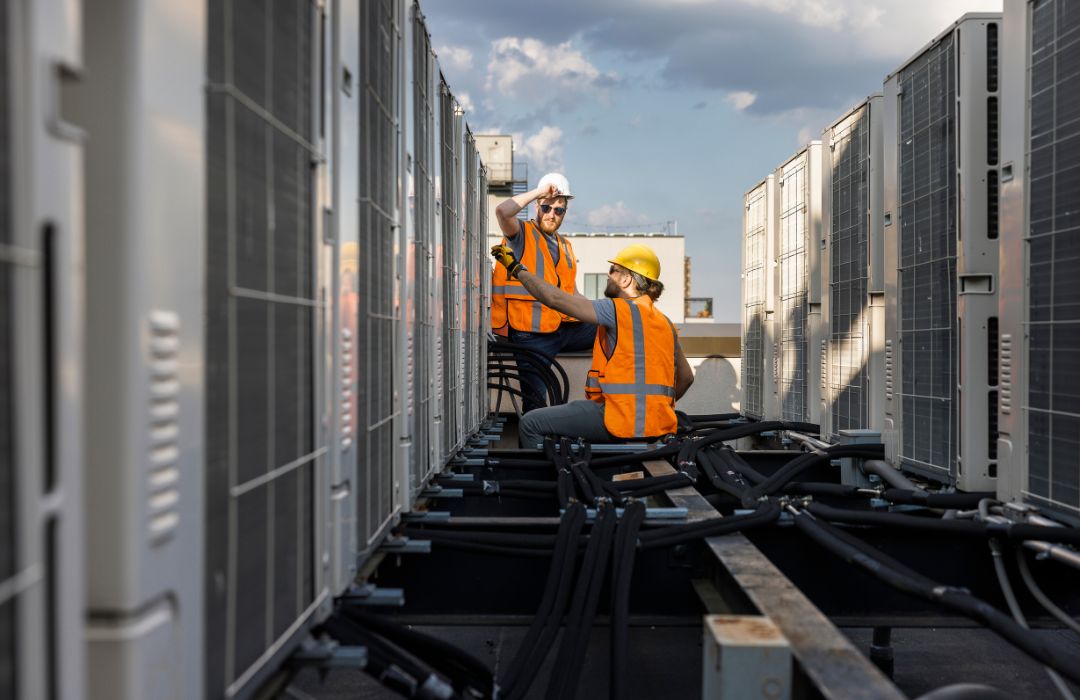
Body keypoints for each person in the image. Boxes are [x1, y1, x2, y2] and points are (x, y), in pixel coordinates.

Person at [490, 242, 694, 448]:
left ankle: (555, 478)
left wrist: (517, 269)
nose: (608, 276)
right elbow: (686, 377)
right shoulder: (666, 323)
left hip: (617, 419)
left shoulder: (616, 309)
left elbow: (554, 299)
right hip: (657, 424)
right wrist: (651, 410)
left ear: (626, 279)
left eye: (613, 271)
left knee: (529, 423)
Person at [490, 172, 597, 413]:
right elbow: (502, 212)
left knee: (614, 325)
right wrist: (540, 192)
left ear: (565, 213)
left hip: (564, 328)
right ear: (537, 207)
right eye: (546, 207)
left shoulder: (565, 245)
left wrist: (603, 311)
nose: (552, 214)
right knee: (535, 403)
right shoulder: (521, 234)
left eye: (559, 210)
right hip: (531, 334)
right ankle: (536, 446)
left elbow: (573, 293)